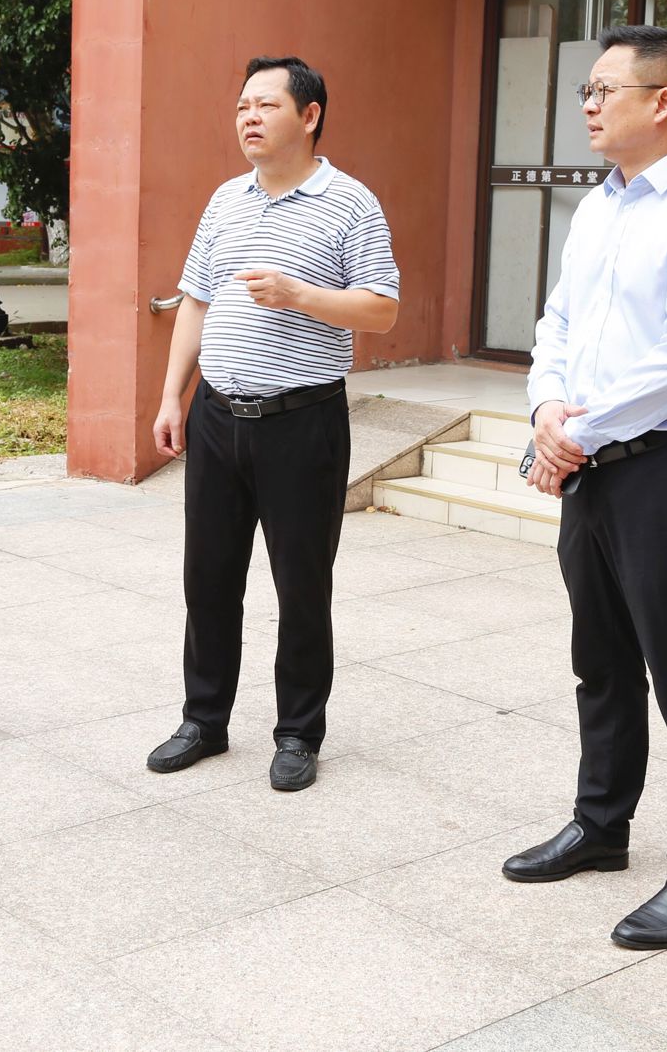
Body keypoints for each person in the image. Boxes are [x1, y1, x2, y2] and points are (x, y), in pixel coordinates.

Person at [501, 25, 667, 952]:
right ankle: (600, 825)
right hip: (591, 466)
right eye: (586, 90)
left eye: (603, 89)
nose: (587, 104)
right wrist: (547, 409)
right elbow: (558, 322)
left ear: (662, 100)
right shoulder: (600, 207)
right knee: (602, 660)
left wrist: (570, 436)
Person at [146, 55, 399, 792]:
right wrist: (171, 397)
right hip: (216, 417)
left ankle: (297, 733)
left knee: (302, 586)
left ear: (309, 116)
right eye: (242, 107)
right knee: (208, 578)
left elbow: (382, 310)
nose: (248, 118)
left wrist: (299, 294)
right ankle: (204, 720)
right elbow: (196, 301)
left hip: (301, 423)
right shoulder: (225, 200)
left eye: (265, 105)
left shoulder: (351, 203)